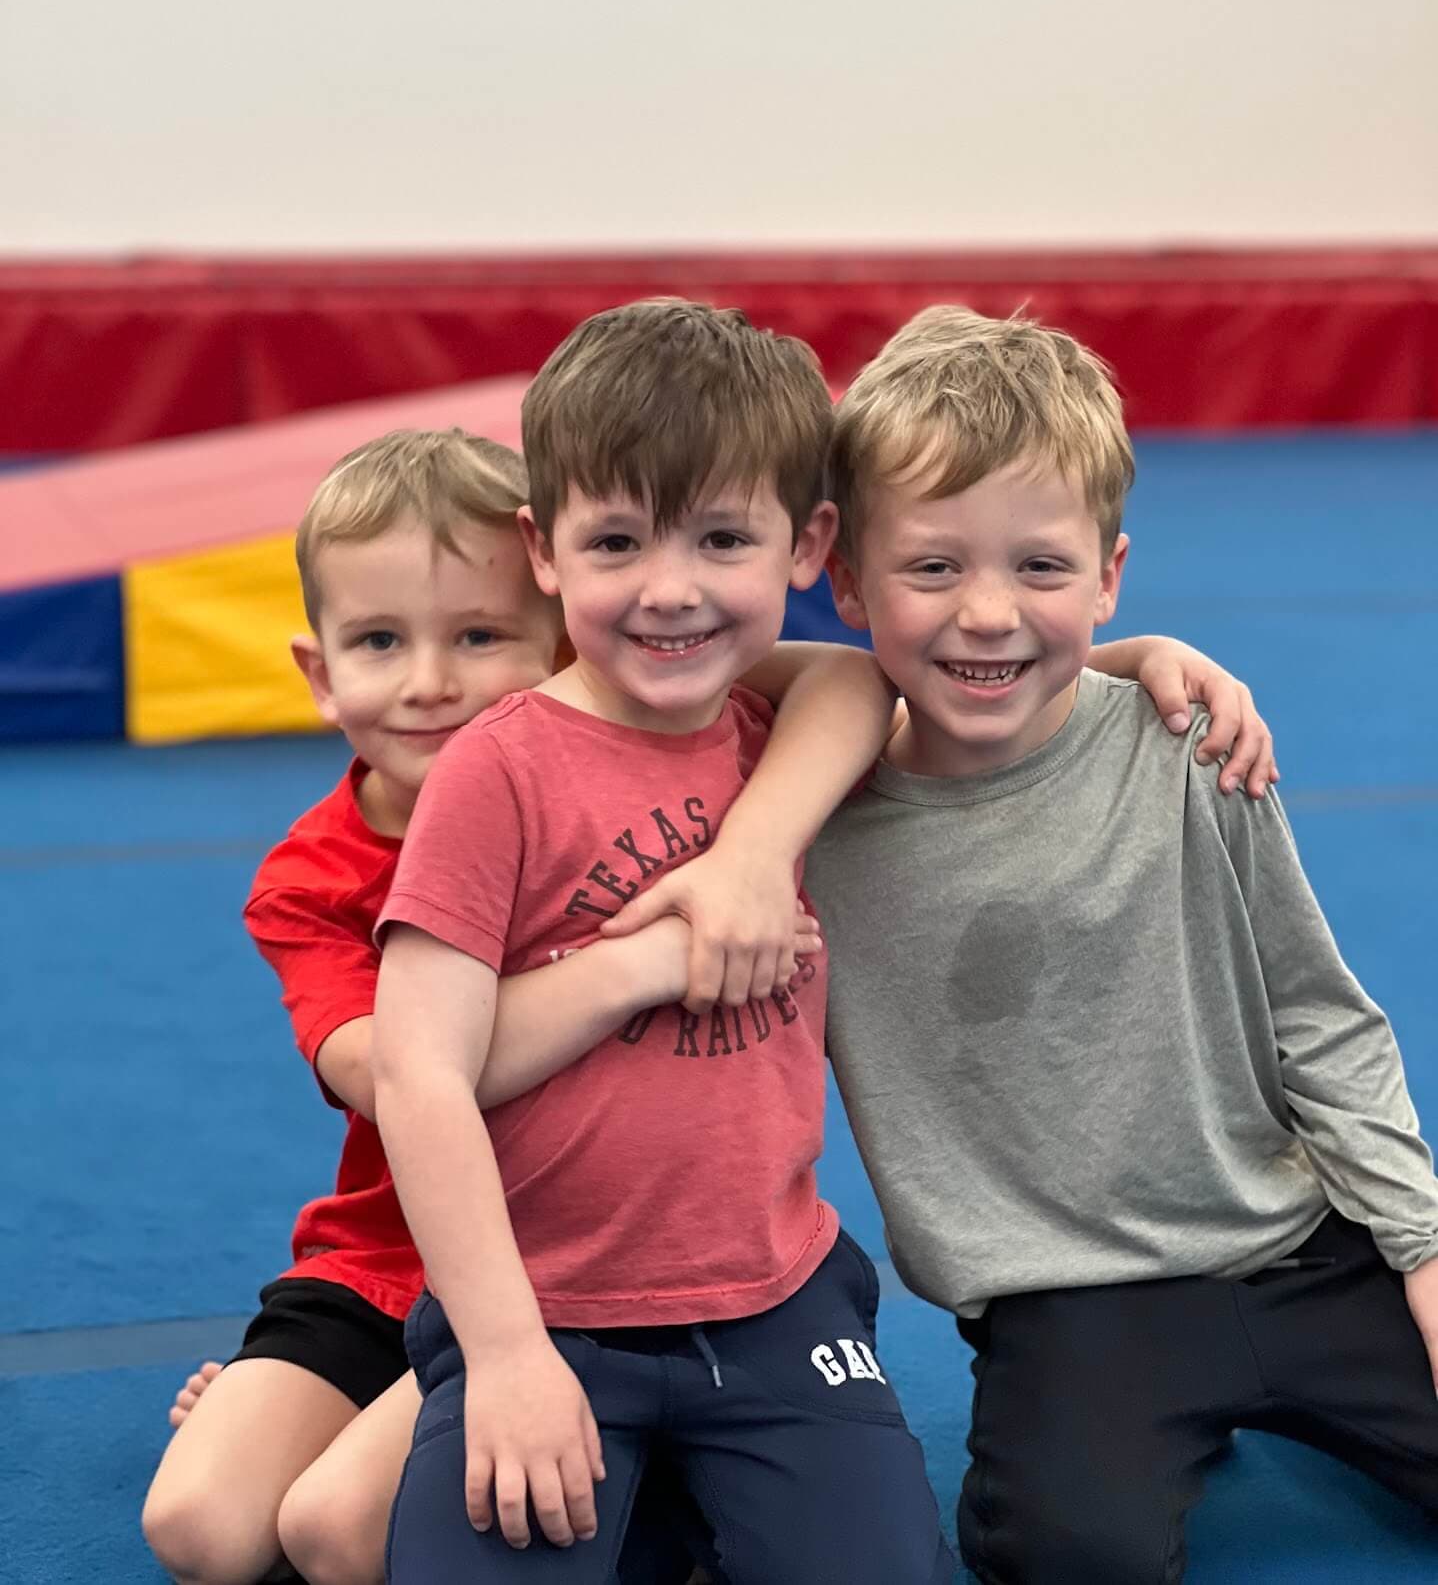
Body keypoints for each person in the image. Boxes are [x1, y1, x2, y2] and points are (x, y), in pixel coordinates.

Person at [370, 297, 1277, 1584]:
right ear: (543, 548)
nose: (672, 588)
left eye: (723, 538)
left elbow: (925, 682)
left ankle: (675, 1504)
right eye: (618, 539)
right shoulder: (497, 773)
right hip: (551, 1309)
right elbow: (418, 1072)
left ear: (807, 545)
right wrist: (507, 1352)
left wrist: (1141, 659)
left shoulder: (786, 729)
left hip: (771, 1298)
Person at [611, 305, 1438, 1582]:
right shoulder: (799, 809)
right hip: (1072, 1305)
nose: (986, 613)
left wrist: (1423, 1252)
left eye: (1041, 572)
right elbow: (661, 657)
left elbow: (1319, 1016)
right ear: (841, 577)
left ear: (1108, 573)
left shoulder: (1187, 748)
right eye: (931, 569)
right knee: (1070, 1553)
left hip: (1303, 1250)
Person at [142, 428, 804, 1585]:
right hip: (382, 1257)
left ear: (559, 636)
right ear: (318, 669)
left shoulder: (619, 764)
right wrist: (638, 963)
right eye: (380, 641)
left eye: (479, 635)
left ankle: (648, 1483)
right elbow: (392, 1067)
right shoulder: (310, 877)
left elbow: (849, 682)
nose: (429, 680)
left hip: (568, 1262)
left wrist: (1136, 653)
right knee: (198, 1528)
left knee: (337, 1536)